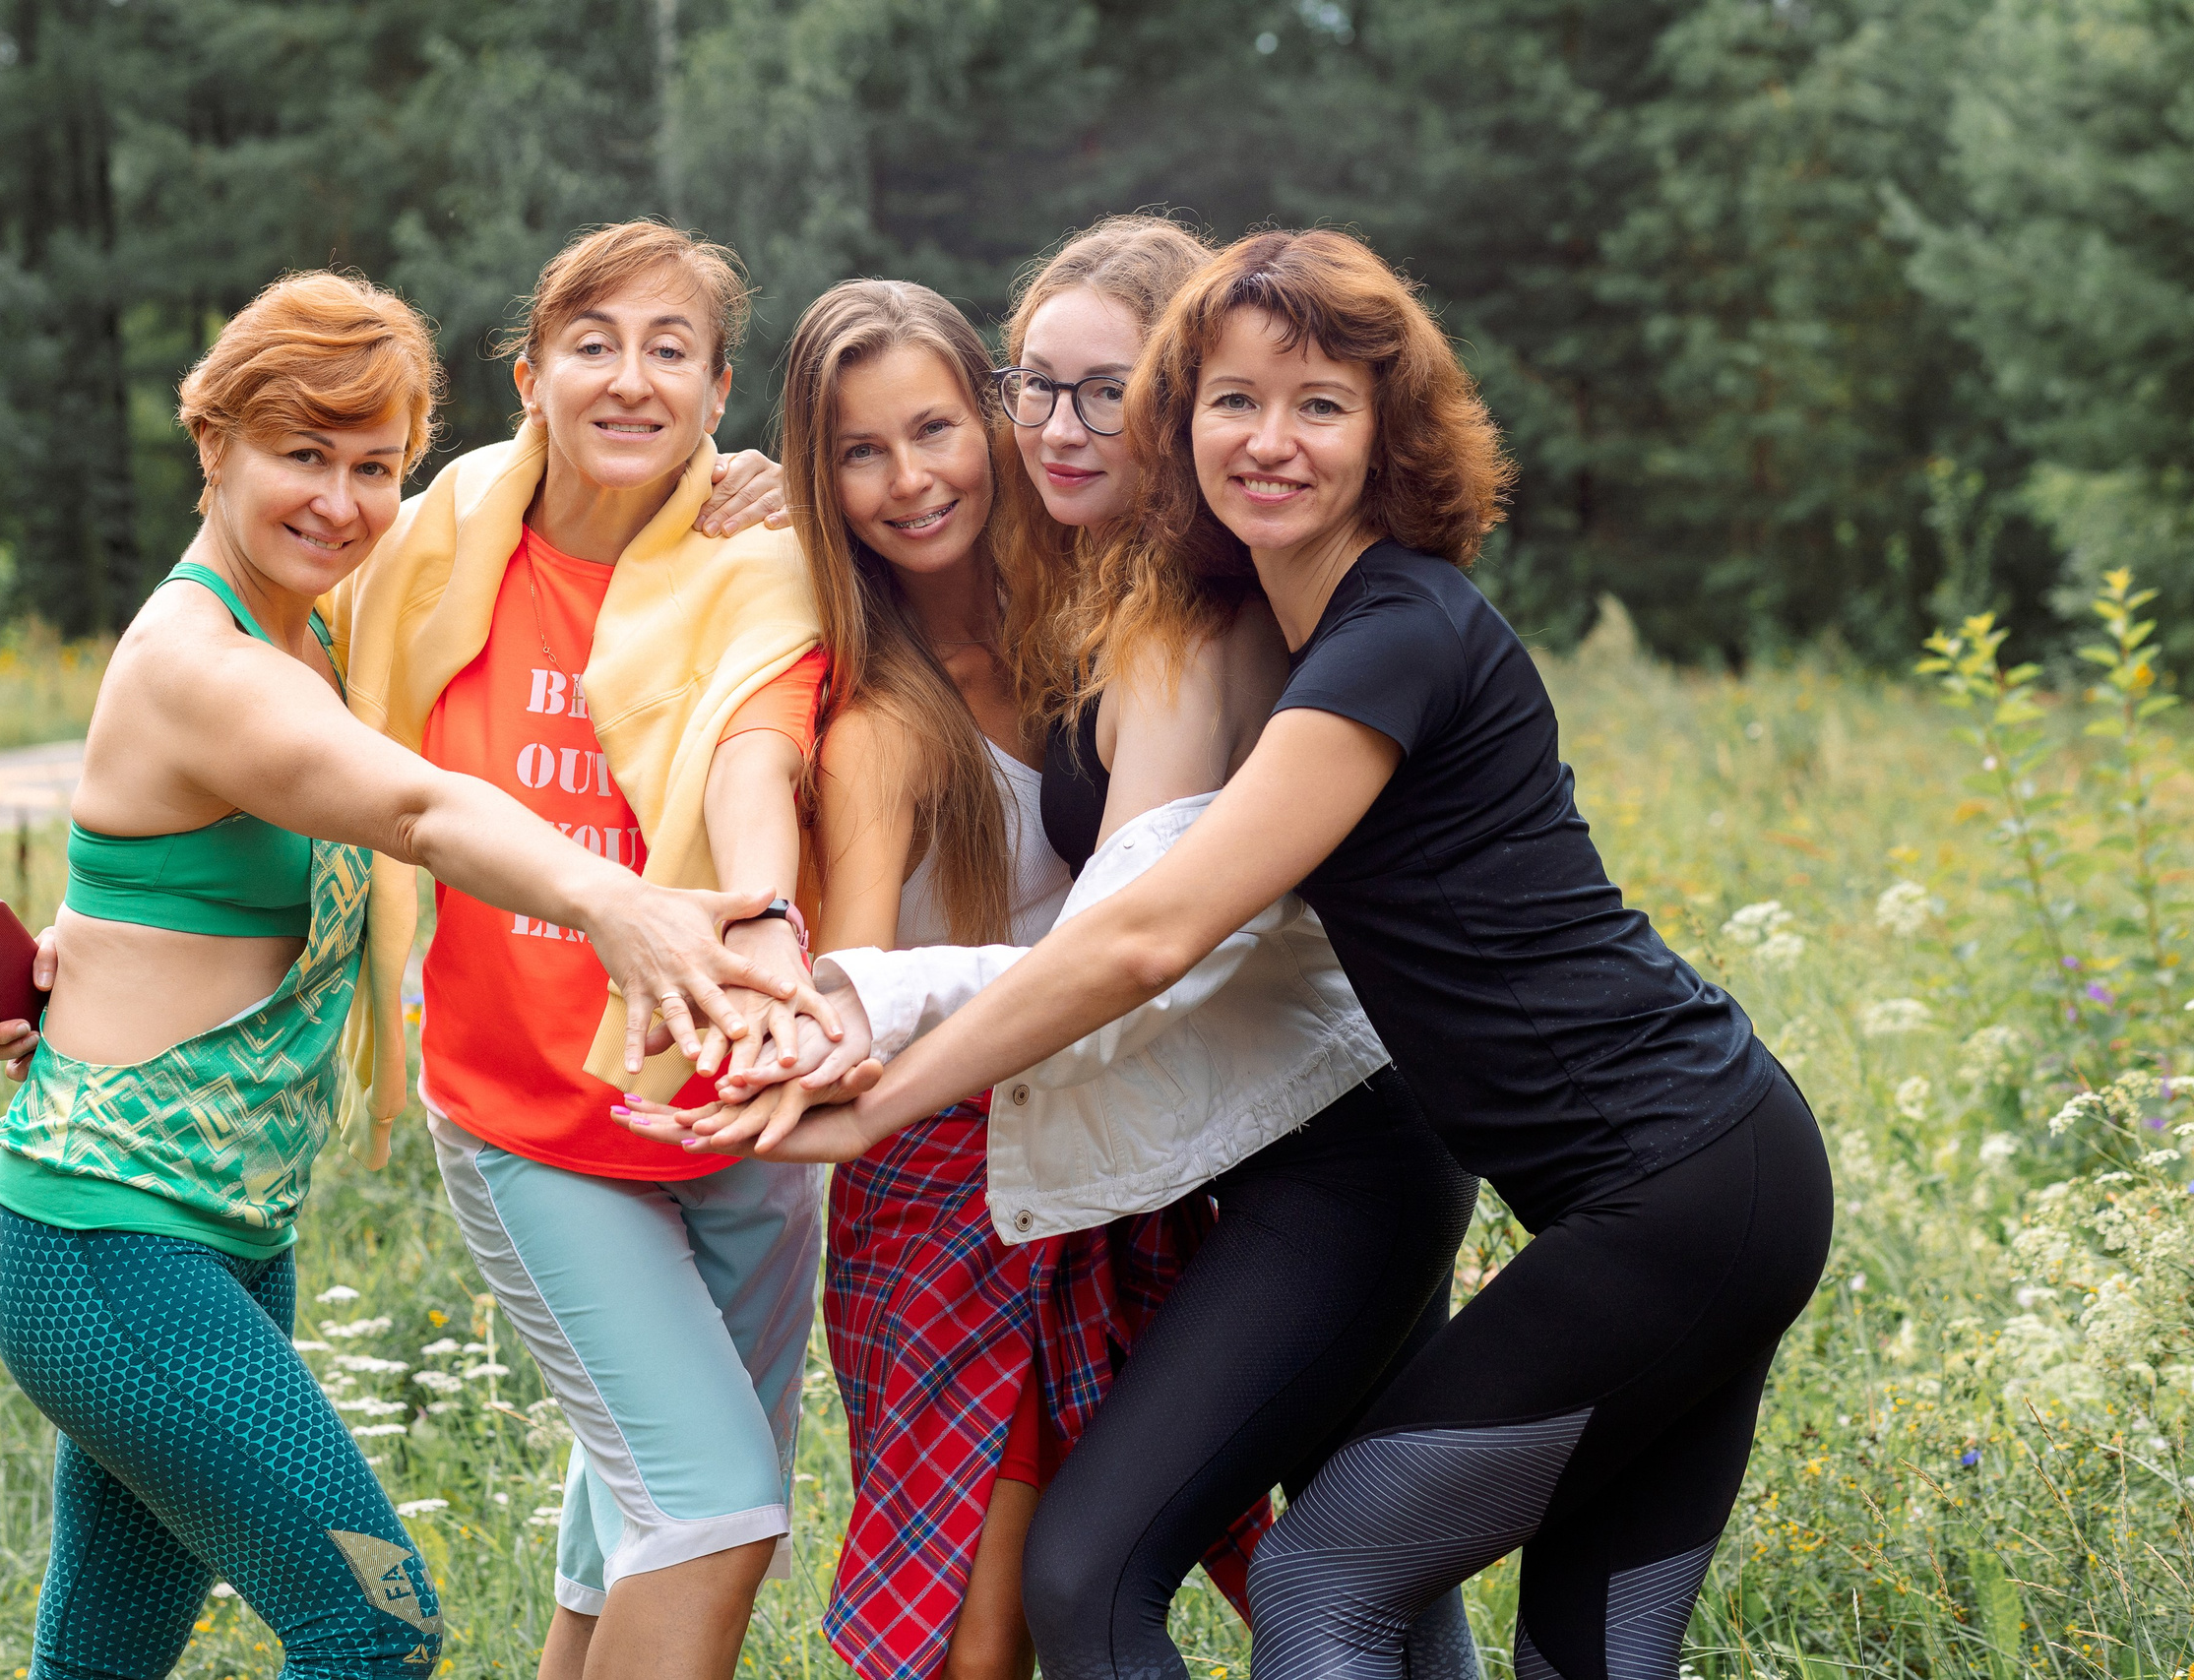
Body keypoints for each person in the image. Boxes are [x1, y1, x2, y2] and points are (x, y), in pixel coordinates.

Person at [643, 227, 1834, 1680]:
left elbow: (1145, 932)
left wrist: (879, 1076)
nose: (1268, 441)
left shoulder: (1381, 636)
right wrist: (746, 485)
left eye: (1318, 407)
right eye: (1232, 403)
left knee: (1319, 1578)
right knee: (1582, 1651)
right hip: (1670, 1171)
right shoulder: (1257, 601)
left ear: (1385, 433)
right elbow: (932, 478)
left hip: (1663, 1182)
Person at [0, 271, 812, 1680]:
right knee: (376, 1623)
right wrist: (618, 906)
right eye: (303, 455)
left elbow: (526, 517)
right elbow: (418, 812)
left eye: (374, 468)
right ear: (212, 443)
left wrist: (743, 482)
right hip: (106, 1243)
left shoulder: (327, 628)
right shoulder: (203, 661)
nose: (343, 503)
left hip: (223, 1239)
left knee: (98, 1665)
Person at [321, 220, 833, 1680]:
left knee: (640, 1494)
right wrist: (82, 942)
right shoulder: (426, 545)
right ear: (531, 373)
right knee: (719, 1503)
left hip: (731, 1119)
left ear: (719, 389)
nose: (629, 378)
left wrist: (763, 925)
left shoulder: (759, 560)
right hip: (531, 1117)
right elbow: (259, 727)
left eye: (670, 348)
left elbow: (759, 745)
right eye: (593, 343)